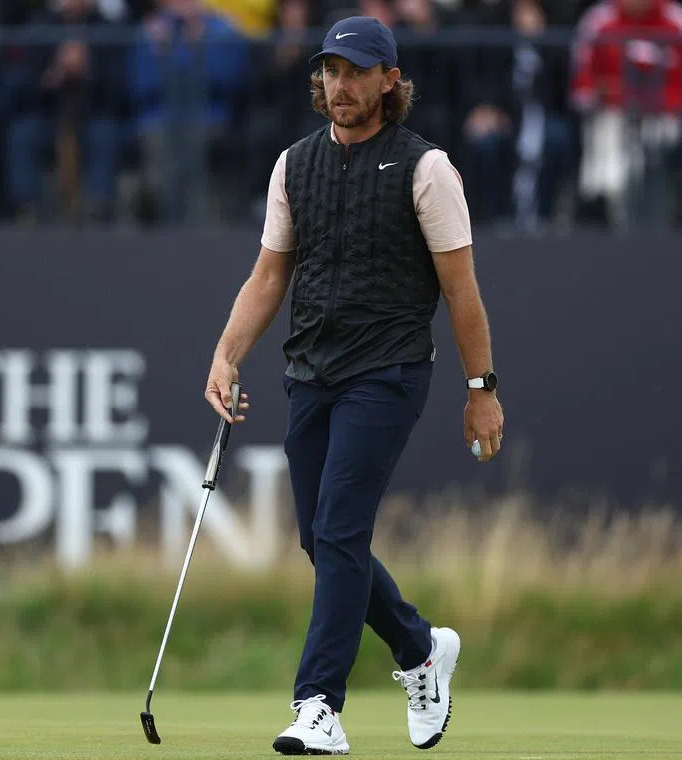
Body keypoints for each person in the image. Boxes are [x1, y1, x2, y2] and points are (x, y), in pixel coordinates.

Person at [202, 15, 504, 755]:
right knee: (319, 536)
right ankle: (420, 649)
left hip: (390, 370)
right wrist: (227, 352)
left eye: (357, 71)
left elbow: (462, 292)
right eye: (331, 72)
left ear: (389, 81)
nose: (341, 85)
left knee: (339, 529)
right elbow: (270, 274)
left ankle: (318, 706)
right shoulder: (294, 164)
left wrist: (481, 387)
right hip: (310, 371)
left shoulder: (426, 169)